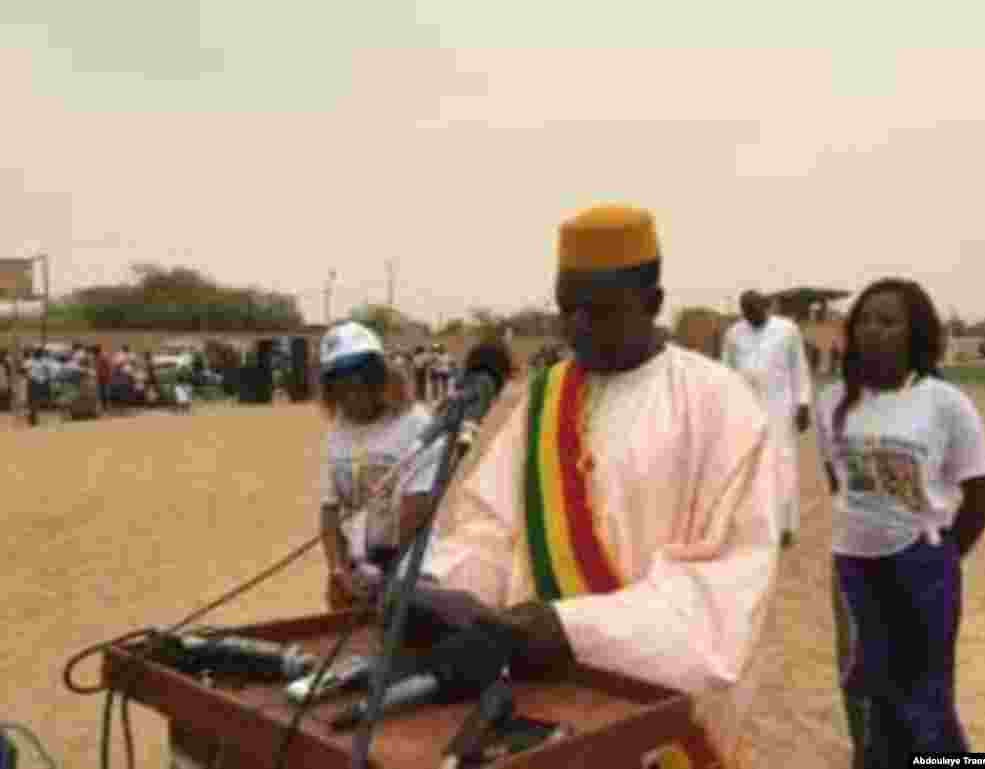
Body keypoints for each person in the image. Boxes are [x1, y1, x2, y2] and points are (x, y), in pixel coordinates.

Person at [416, 204, 780, 768]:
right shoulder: (542, 401)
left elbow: (721, 588)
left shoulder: (720, 405)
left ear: (653, 303)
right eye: (567, 309)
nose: (578, 327)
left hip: (660, 721)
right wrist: (433, 589)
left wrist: (565, 627)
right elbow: (489, 531)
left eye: (601, 310)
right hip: (545, 706)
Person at [814, 278, 985, 768]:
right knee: (864, 688)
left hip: (921, 564)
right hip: (852, 565)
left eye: (888, 321)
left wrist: (940, 556)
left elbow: (982, 496)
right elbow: (840, 482)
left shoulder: (944, 403)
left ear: (914, 333)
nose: (873, 329)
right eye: (865, 319)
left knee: (926, 697)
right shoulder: (832, 401)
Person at [318, 321, 447, 611]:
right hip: (357, 575)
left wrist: (381, 575)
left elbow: (418, 507)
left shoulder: (415, 424)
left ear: (380, 373)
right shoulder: (337, 431)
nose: (351, 383)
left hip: (410, 573)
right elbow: (329, 511)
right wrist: (339, 571)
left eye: (359, 370)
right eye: (338, 375)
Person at [721, 290, 813, 547]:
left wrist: (803, 403)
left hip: (780, 409)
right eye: (746, 311)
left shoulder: (787, 330)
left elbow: (799, 368)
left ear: (766, 306)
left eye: (755, 309)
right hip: (746, 410)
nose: (751, 315)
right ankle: (754, 527)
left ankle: (785, 527)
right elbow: (726, 373)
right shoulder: (733, 334)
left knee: (782, 465)